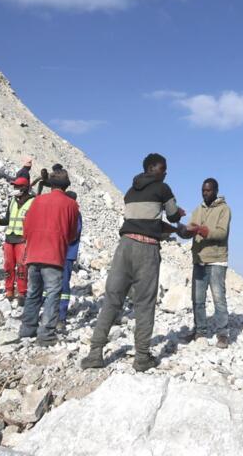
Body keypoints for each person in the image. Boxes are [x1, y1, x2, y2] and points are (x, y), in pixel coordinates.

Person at [81, 153, 185, 372]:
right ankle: (142, 357)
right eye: (163, 168)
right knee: (145, 303)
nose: (165, 172)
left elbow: (144, 220)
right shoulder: (162, 188)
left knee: (112, 299)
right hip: (146, 249)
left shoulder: (130, 192)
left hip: (124, 246)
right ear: (153, 169)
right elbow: (173, 215)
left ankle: (95, 353)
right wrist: (178, 217)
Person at [19, 170, 80, 346]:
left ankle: (27, 329)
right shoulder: (71, 205)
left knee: (33, 292)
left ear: (51, 185)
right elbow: (72, 234)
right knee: (53, 293)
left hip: (33, 252)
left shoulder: (37, 201)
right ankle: (45, 335)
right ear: (67, 185)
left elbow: (26, 228)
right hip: (54, 253)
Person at [179, 178, 232, 348]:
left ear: (216, 190)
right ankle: (200, 331)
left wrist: (200, 230)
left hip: (217, 260)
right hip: (199, 259)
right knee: (197, 299)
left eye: (208, 190)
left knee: (218, 298)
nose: (205, 193)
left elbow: (221, 234)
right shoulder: (198, 210)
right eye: (203, 190)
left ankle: (222, 334)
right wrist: (184, 232)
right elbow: (191, 229)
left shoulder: (224, 209)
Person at [0, 176, 35, 307]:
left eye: (17, 187)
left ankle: (22, 292)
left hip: (22, 240)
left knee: (22, 266)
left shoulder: (33, 202)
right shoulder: (12, 200)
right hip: (9, 238)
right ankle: (9, 290)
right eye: (14, 186)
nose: (15, 189)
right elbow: (7, 219)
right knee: (8, 266)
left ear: (24, 188)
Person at [59, 190, 82, 326]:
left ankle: (61, 315)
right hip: (60, 253)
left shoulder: (75, 214)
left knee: (63, 284)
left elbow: (75, 233)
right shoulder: (71, 212)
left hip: (67, 254)